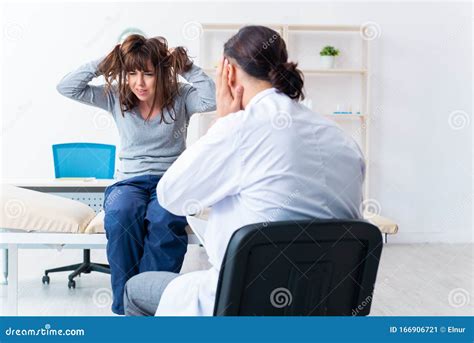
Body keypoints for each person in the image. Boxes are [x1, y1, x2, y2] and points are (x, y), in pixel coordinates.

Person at [123, 26, 365, 316]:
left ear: (229, 73)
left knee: (136, 288)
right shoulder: (342, 140)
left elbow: (170, 195)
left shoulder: (239, 129)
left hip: (245, 302)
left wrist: (222, 122)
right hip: (327, 306)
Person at [56, 34, 216, 315]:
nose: (139, 83)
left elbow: (211, 99)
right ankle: (126, 305)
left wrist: (186, 66)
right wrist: (105, 62)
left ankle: (150, 302)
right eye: (131, 73)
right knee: (121, 214)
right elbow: (67, 87)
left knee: (164, 220)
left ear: (162, 73)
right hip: (129, 182)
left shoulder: (180, 95)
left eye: (148, 74)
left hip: (170, 182)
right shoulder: (117, 97)